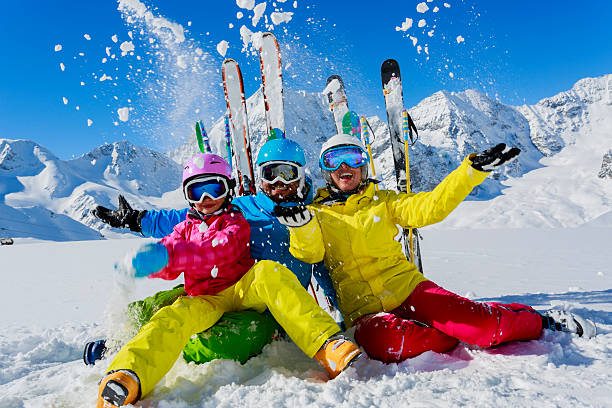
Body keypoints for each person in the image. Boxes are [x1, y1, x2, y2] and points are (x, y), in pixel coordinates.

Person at [274, 134, 597, 364]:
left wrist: (469, 172)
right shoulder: (315, 213)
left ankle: (539, 321)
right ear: (325, 169)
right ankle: (456, 331)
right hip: (365, 310)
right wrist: (301, 228)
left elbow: (430, 208)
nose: (345, 166)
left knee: (483, 327)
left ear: (365, 166)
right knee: (388, 345)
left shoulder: (384, 202)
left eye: (354, 158)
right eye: (335, 159)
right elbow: (310, 254)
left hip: (410, 290)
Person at [96, 153, 361, 407]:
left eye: (214, 188)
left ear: (229, 190)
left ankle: (327, 344)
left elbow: (220, 250)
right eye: (197, 192)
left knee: (270, 271)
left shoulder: (236, 221)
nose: (207, 199)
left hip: (242, 289)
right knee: (170, 317)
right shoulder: (184, 228)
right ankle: (127, 376)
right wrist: (155, 259)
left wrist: (171, 256)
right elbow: (171, 249)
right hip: (203, 299)